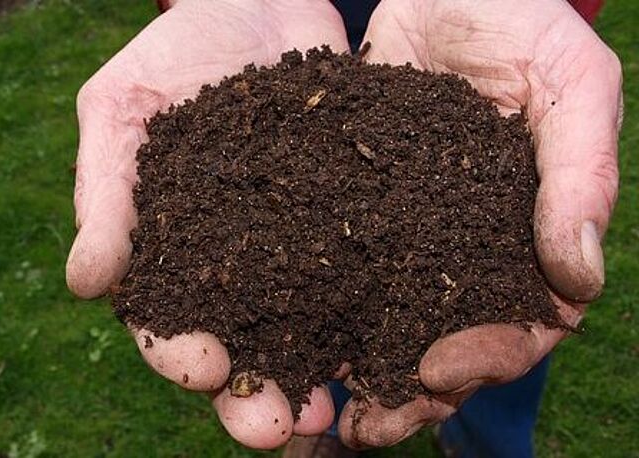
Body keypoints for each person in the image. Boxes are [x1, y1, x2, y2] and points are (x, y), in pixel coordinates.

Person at [66, 0, 622, 456]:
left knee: (495, 349)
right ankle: (330, 423)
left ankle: (483, 443)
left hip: (461, 32)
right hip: (275, 18)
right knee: (326, 333)